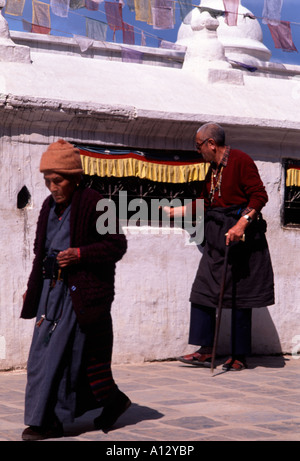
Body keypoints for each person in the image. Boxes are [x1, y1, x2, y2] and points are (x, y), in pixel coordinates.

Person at [21, 139, 130, 441]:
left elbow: (116, 245)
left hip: (77, 293)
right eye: (47, 181)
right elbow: (39, 251)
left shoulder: (98, 203)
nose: (52, 187)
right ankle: (108, 402)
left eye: (58, 180)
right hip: (49, 291)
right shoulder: (47, 207)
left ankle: (49, 422)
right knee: (40, 356)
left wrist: (80, 254)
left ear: (75, 178)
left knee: (61, 357)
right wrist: (33, 288)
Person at [163, 123, 274, 371]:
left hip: (240, 239)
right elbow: (205, 202)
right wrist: (174, 211)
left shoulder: (241, 161)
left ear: (211, 144)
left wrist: (241, 224)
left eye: (199, 146)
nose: (198, 151)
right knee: (203, 289)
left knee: (239, 296)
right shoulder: (213, 169)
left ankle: (239, 355)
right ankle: (206, 350)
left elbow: (260, 196)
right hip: (216, 238)